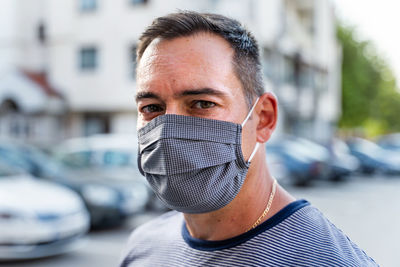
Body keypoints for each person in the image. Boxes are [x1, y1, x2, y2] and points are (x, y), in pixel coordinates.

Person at [120, 11, 378, 267]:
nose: (168, 129)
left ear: (264, 118)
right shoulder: (143, 247)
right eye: (151, 107)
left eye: (202, 103)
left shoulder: (330, 260)